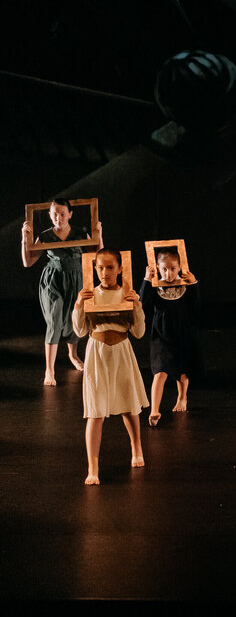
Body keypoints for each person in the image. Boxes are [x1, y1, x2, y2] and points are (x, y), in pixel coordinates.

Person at [72, 248, 148, 485]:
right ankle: (92, 467)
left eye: (109, 267)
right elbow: (80, 331)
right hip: (97, 353)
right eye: (100, 268)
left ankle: (137, 449)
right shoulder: (89, 294)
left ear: (120, 268)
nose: (104, 272)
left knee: (129, 406)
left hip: (122, 352)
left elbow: (138, 332)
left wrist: (137, 307)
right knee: (95, 412)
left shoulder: (127, 294)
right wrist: (78, 305)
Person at [20, 200, 102, 385]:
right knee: (54, 320)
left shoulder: (80, 232)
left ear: (70, 214)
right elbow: (28, 262)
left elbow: (99, 257)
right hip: (53, 281)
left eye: (63, 214)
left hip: (76, 280)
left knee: (76, 318)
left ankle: (73, 355)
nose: (59, 218)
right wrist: (24, 239)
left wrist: (99, 235)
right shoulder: (45, 235)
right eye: (55, 214)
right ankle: (49, 370)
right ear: (50, 215)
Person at [138, 249, 201, 427]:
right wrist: (146, 280)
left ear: (179, 267)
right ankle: (154, 409)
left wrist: (194, 283)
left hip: (182, 333)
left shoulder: (185, 285)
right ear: (158, 268)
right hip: (161, 334)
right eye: (164, 269)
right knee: (160, 371)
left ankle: (182, 397)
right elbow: (142, 303)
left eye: (173, 269)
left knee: (182, 372)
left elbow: (196, 305)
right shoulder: (155, 285)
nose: (169, 273)